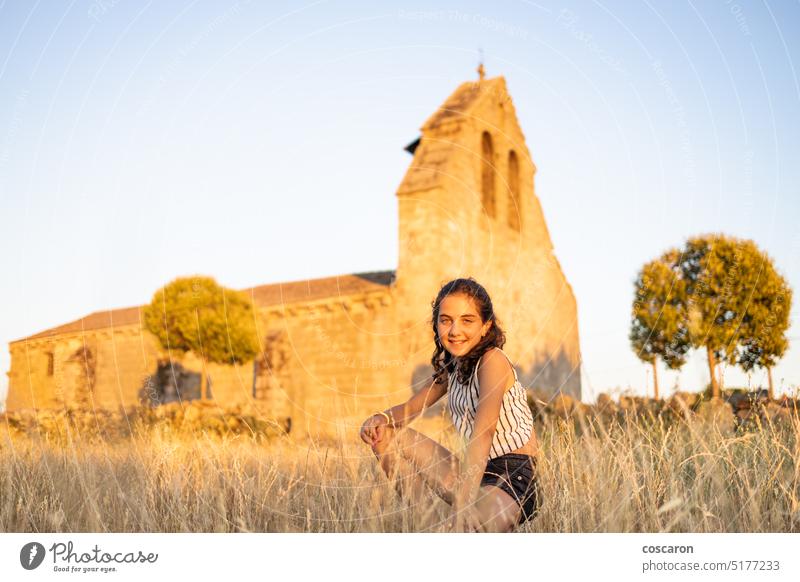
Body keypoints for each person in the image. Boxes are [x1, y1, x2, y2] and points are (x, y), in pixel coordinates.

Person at [359, 277, 542, 532]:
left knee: (469, 529)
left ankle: (456, 525)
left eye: (467, 320)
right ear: (436, 325)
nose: (455, 330)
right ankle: (426, 524)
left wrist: (464, 503)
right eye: (446, 320)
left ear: (486, 326)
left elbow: (484, 432)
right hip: (472, 470)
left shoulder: (493, 361)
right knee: (385, 435)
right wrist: (380, 418)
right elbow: (411, 409)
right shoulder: (452, 369)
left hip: (512, 475)